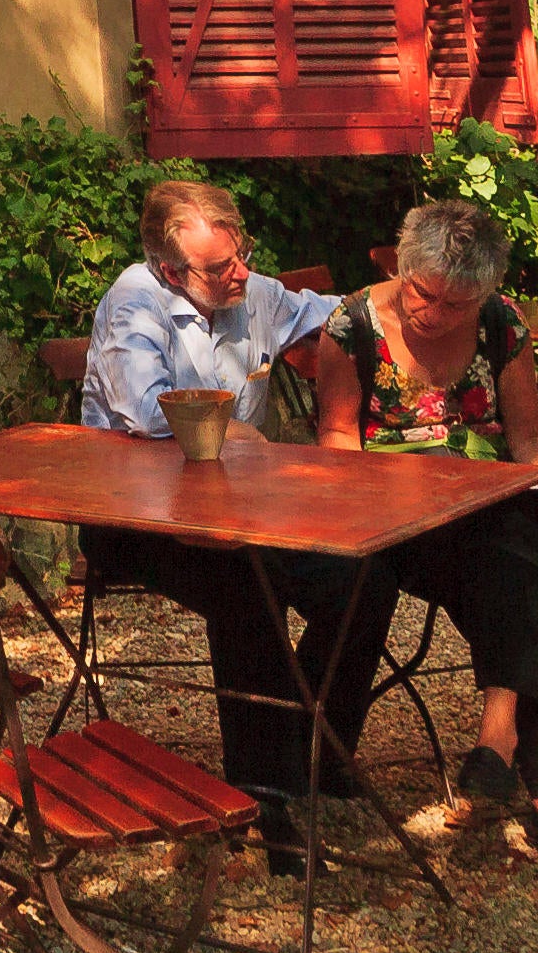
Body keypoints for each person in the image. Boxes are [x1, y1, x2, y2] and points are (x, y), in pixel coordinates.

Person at [343, 196, 538, 881]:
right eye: (425, 295)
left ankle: (499, 744)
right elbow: (334, 448)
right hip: (390, 520)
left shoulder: (502, 325)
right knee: (536, 573)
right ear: (403, 267)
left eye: (458, 306)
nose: (435, 315)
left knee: (534, 548)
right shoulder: (352, 324)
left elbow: (529, 439)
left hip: (483, 509)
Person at [76, 178, 365, 866]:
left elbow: (351, 315)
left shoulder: (249, 289)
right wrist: (247, 438)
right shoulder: (134, 305)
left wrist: (409, 302)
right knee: (248, 583)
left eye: (242, 256)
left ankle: (315, 746)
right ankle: (268, 796)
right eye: (219, 268)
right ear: (171, 272)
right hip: (133, 517)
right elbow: (152, 416)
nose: (240, 274)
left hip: (243, 509)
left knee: (361, 569)